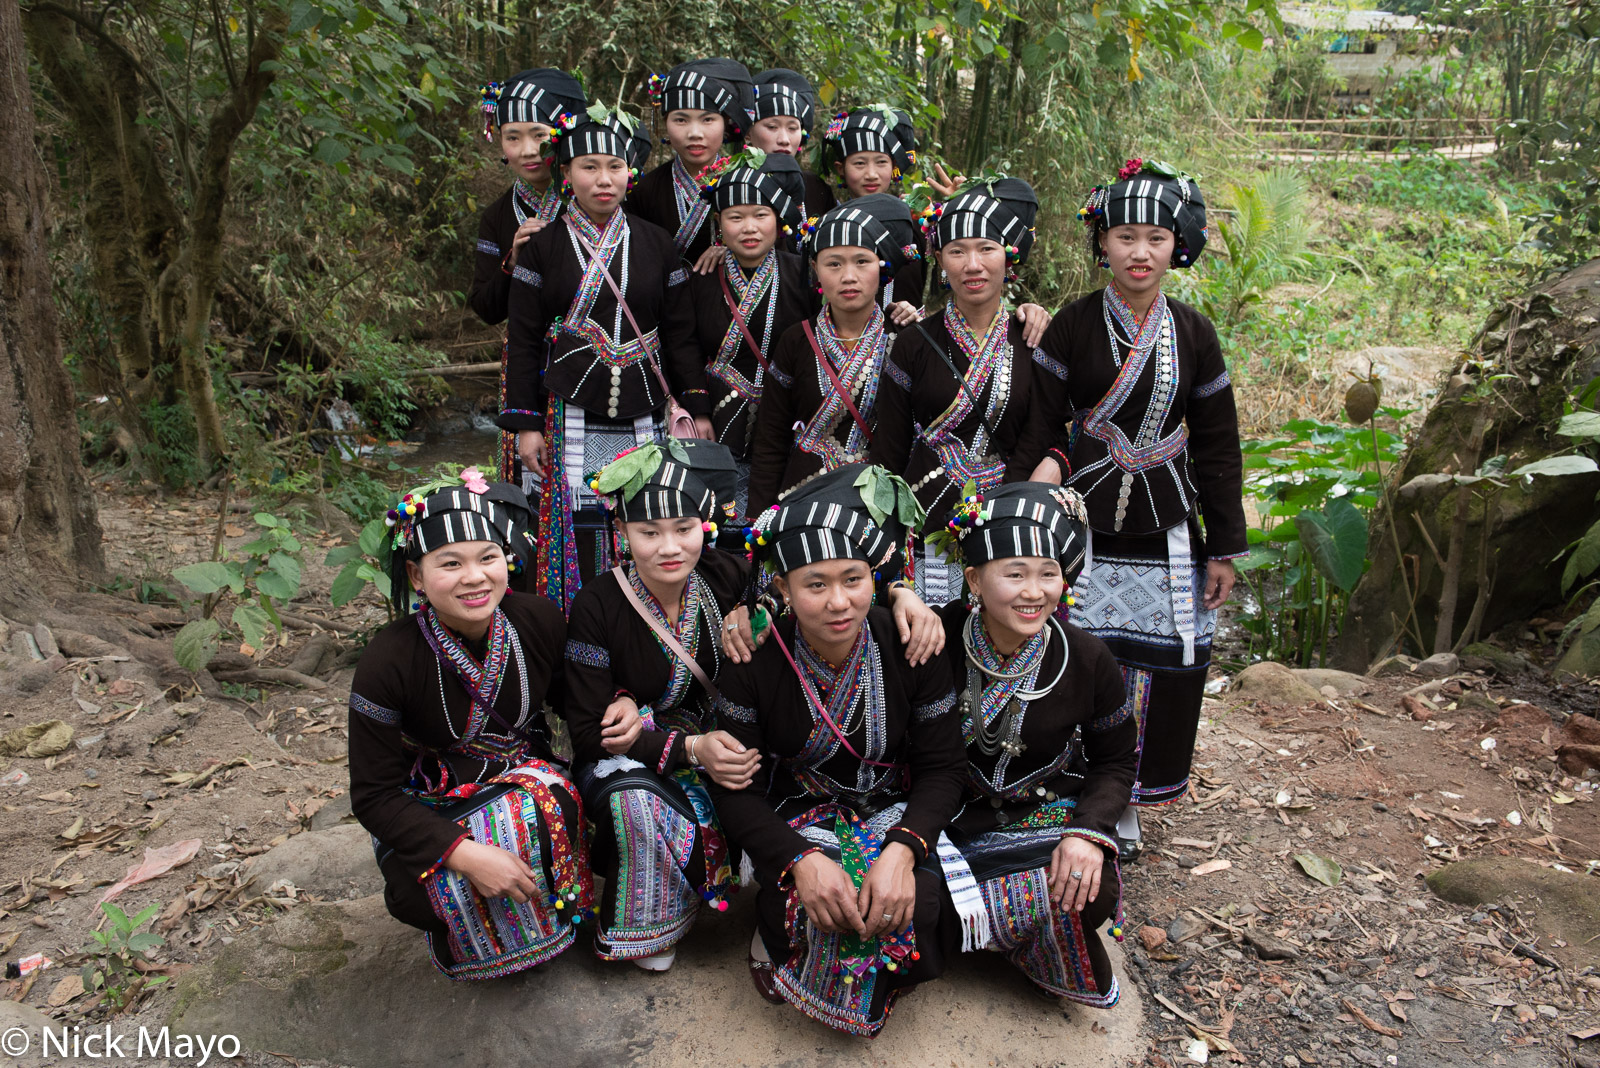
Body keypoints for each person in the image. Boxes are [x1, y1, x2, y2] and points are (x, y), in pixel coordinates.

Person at [1018, 158, 1246, 856]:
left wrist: (1226, 545)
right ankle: (1065, 784)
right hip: (1082, 515)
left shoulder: (1196, 333)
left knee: (1159, 663)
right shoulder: (1072, 326)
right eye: (1123, 237)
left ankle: (1128, 797)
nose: (1139, 252)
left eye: (1154, 237)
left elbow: (1217, 444)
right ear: (1101, 245)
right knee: (1073, 655)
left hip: (1167, 516)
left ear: (1178, 244)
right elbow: (1042, 421)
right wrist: (1036, 496)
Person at [709, 463, 966, 1037]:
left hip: (889, 811)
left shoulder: (910, 644)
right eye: (815, 585)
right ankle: (778, 921)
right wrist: (800, 859)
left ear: (876, 577)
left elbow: (943, 768)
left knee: (914, 906)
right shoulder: (755, 656)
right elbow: (736, 788)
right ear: (783, 588)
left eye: (853, 579)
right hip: (796, 812)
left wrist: (902, 851)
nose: (838, 602)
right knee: (810, 905)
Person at [347, 469, 594, 979]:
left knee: (555, 801)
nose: (475, 577)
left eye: (488, 558)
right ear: (416, 576)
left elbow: (575, 704)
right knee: (422, 894)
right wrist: (463, 854)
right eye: (451, 563)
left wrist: (619, 702)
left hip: (526, 784)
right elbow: (373, 795)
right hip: (431, 805)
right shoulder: (388, 658)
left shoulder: (538, 619)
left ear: (507, 559)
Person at [927, 482, 1134, 1006]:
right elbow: (865, 616)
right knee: (904, 895)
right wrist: (901, 593)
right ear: (973, 578)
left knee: (1090, 891)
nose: (1034, 591)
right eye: (1014, 573)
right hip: (944, 818)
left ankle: (972, 927)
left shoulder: (1087, 659)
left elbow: (1115, 761)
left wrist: (1087, 833)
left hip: (1038, 818)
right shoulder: (935, 637)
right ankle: (993, 927)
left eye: (1049, 574)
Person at [499, 108, 700, 613]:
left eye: (614, 166)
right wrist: (526, 424)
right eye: (589, 167)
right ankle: (576, 623)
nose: (603, 179)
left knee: (645, 514)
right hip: (569, 408)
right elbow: (523, 339)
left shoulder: (658, 244)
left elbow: (679, 336)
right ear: (566, 173)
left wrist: (696, 411)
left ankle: (645, 625)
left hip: (646, 409)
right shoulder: (543, 247)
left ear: (629, 171)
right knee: (576, 518)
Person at [560, 440, 748, 970]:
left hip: (714, 732)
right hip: (636, 752)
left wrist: (754, 608)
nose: (670, 547)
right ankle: (646, 924)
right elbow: (587, 732)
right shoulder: (597, 604)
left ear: (704, 526)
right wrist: (688, 747)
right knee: (633, 798)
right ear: (621, 532)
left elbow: (781, 589)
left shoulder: (724, 575)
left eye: (684, 528)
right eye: (649, 532)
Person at [871, 178, 1046, 604]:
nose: (973, 264)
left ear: (1009, 257)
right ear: (940, 261)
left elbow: (1044, 431)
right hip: (925, 519)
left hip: (1007, 519)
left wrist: (1013, 499)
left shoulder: (1034, 337)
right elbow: (890, 446)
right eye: (957, 251)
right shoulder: (914, 341)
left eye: (986, 249)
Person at [744, 195, 915, 517]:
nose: (848, 276)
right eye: (834, 263)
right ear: (815, 269)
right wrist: (758, 516)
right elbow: (771, 436)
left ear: (882, 267)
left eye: (862, 261)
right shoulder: (796, 339)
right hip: (803, 498)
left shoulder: (906, 338)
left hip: (878, 503)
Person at [469, 69, 589, 491]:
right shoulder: (499, 216)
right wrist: (514, 261)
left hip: (600, 363)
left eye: (538, 134)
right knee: (532, 494)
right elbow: (485, 306)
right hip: (527, 367)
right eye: (511, 136)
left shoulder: (599, 201)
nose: (527, 150)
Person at [685, 151, 817, 516]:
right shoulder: (701, 277)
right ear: (718, 222)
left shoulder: (804, 276)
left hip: (783, 421)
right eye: (735, 217)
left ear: (778, 221)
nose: (749, 228)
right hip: (715, 417)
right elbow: (685, 346)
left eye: (761, 215)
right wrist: (697, 411)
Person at [629, 59, 754, 266]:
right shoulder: (645, 191)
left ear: (726, 125)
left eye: (707, 120)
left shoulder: (749, 182)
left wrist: (734, 249)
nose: (695, 133)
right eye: (681, 120)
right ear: (665, 124)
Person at [821, 105, 925, 316]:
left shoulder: (915, 223)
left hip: (905, 338)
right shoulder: (828, 224)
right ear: (841, 168)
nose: (871, 174)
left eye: (881, 163)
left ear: (893, 166)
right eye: (859, 163)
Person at [750, 68, 835, 220]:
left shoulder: (816, 188)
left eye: (792, 128)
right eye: (772, 127)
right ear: (748, 133)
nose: (784, 139)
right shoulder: (731, 182)